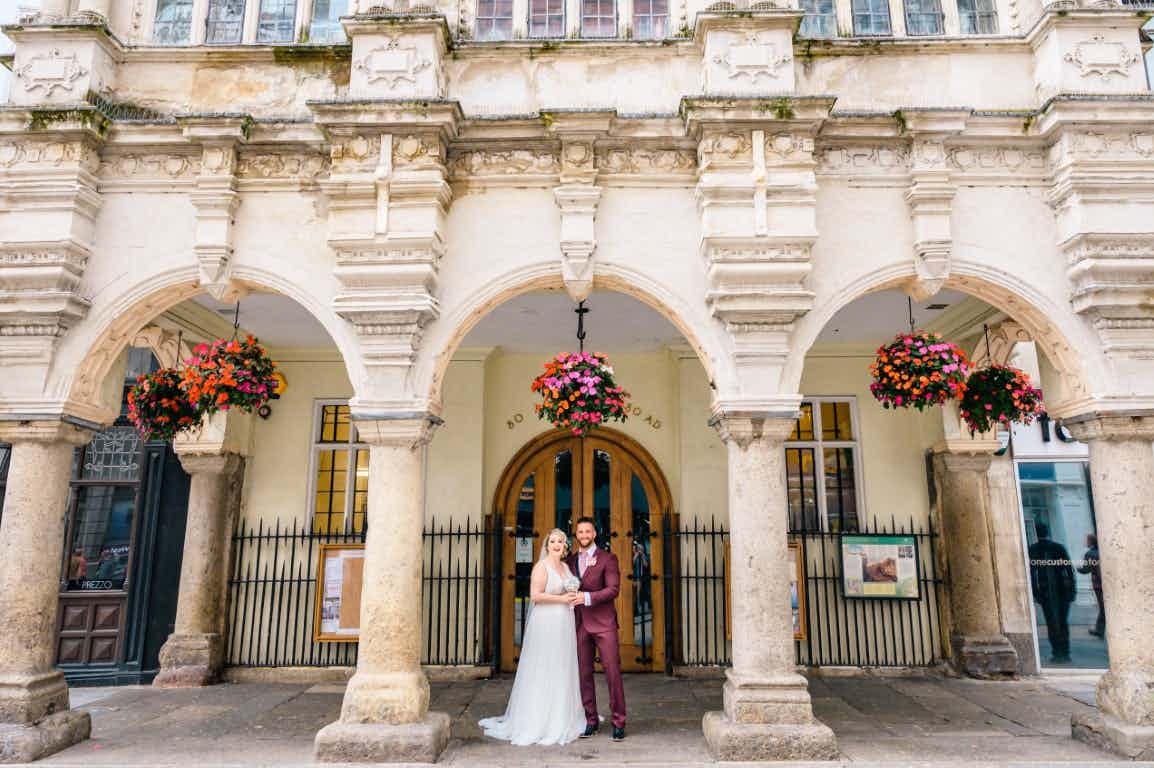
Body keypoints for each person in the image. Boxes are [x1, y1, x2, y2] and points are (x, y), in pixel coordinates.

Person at [479, 529, 585, 746]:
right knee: (543, 666)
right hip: (546, 622)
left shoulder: (565, 567)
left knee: (561, 667)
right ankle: (538, 721)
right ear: (547, 546)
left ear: (566, 546)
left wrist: (571, 598)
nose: (556, 544)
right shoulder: (541, 566)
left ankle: (562, 716)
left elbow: (568, 591)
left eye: (561, 541)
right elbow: (536, 596)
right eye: (553, 541)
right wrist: (563, 599)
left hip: (563, 622)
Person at [566, 517, 626, 742]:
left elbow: (613, 589)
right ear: (576, 535)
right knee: (583, 674)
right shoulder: (570, 561)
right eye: (580, 532)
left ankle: (619, 721)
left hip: (604, 624)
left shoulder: (608, 559)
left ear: (595, 534)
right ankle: (590, 720)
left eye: (587, 531)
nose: (583, 535)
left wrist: (586, 597)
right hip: (579, 623)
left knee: (612, 672)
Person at [1028, 523, 1076, 664]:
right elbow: (1069, 570)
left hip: (1046, 591)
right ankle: (1065, 652)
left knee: (1052, 622)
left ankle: (1057, 652)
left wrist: (1036, 592)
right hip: (1062, 590)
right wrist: (1072, 589)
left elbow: (1032, 573)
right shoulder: (1058, 547)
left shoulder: (1034, 549)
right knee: (1062, 621)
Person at [1076, 533, 1105, 638]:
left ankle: (1099, 630)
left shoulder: (1090, 554)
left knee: (1103, 607)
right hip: (1104, 582)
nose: (1085, 542)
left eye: (1086, 540)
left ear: (1090, 542)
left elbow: (1085, 569)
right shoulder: (1101, 551)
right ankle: (1099, 629)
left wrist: (1078, 568)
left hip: (1098, 584)